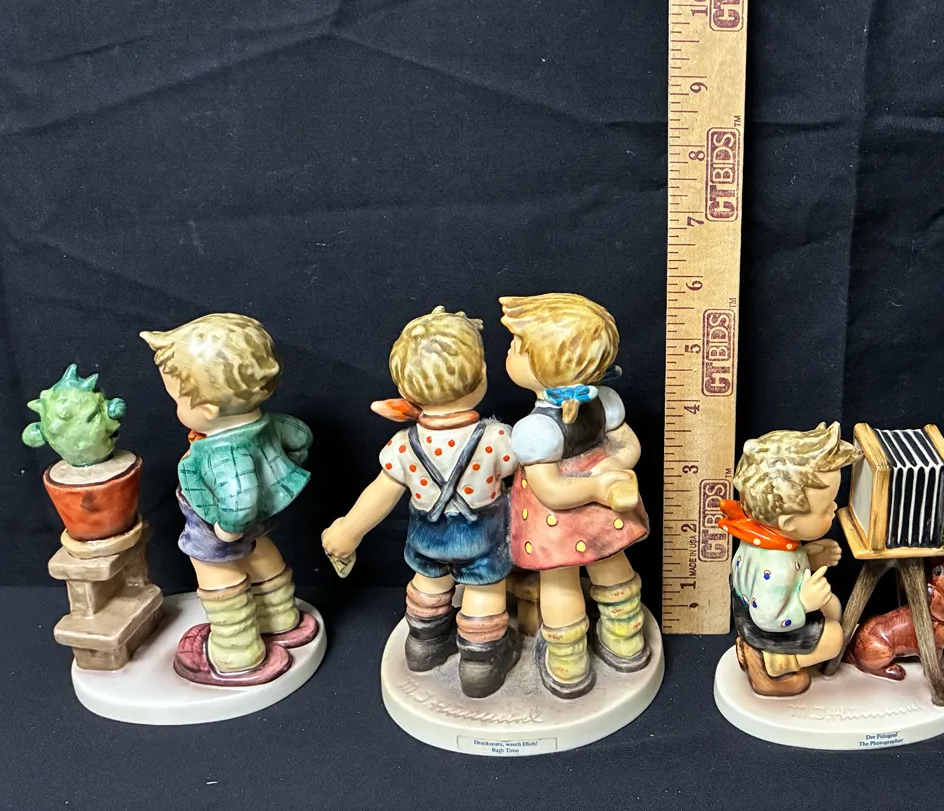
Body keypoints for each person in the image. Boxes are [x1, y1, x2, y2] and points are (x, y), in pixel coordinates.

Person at [321, 307, 520, 698]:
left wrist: (348, 530)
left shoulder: (402, 446)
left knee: (428, 583)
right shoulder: (497, 438)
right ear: (482, 375)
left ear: (405, 392)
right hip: (481, 537)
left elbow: (380, 492)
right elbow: (523, 473)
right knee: (484, 592)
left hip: (427, 537)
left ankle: (424, 644)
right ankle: (480, 663)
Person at [141, 313, 318, 685]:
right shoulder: (272, 424)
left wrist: (226, 530)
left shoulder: (223, 454)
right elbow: (300, 438)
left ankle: (236, 652)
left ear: (208, 411)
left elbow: (239, 497)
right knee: (261, 553)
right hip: (259, 518)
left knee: (218, 574)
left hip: (218, 525)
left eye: (178, 400)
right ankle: (281, 619)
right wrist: (280, 476)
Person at [500, 293, 648, 698]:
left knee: (563, 581)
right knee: (609, 566)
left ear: (548, 364)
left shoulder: (537, 429)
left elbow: (551, 490)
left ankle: (590, 654)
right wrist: (601, 480)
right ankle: (594, 652)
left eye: (517, 346)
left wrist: (611, 467)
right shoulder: (602, 403)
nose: (509, 351)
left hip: (559, 521)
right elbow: (556, 489)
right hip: (594, 504)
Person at [720, 422, 859, 696]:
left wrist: (810, 557)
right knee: (835, 637)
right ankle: (773, 661)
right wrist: (804, 603)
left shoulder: (766, 539)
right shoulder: (777, 566)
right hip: (763, 626)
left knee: (833, 609)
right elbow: (766, 617)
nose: (834, 508)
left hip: (759, 608)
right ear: (789, 523)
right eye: (826, 508)